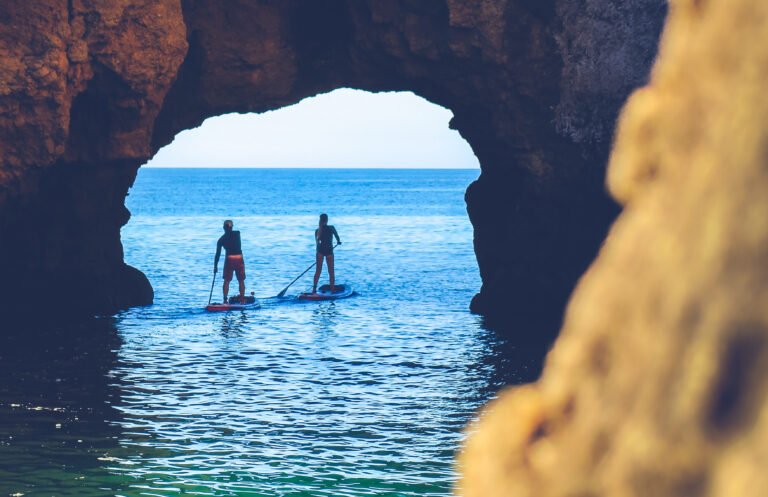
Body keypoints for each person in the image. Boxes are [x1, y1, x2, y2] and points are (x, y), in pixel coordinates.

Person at [214, 220, 246, 304]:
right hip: (239, 258)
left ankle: (225, 300)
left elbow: (218, 254)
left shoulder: (221, 239)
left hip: (229, 259)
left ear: (224, 228)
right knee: (241, 280)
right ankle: (242, 299)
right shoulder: (237, 234)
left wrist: (215, 266)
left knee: (227, 280)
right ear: (231, 227)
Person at [312, 213, 341, 293]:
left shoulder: (317, 230)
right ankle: (332, 290)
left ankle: (314, 290)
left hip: (320, 251)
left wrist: (318, 253)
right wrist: (338, 242)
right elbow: (337, 237)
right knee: (331, 271)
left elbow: (317, 244)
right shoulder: (331, 228)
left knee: (318, 271)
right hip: (329, 251)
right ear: (327, 220)